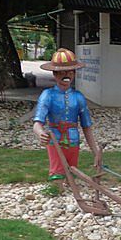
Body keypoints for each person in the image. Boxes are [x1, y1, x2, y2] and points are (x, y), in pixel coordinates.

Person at [32, 48, 102, 181]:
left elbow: (86, 126)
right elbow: (37, 122)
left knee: (72, 171)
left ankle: (71, 192)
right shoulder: (48, 95)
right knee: (57, 173)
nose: (67, 75)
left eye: (70, 72)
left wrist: (96, 152)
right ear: (55, 74)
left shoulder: (79, 97)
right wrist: (40, 133)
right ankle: (57, 190)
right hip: (55, 141)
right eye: (62, 72)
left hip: (73, 140)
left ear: (74, 73)